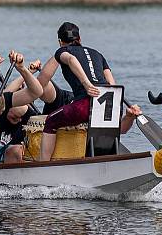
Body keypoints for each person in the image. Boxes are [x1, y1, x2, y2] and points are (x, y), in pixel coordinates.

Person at [38, 22, 142, 159]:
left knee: (50, 121)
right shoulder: (97, 54)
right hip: (110, 102)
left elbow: (70, 59)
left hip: (84, 105)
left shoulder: (62, 51)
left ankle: (44, 166)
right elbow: (112, 84)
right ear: (79, 39)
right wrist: (119, 107)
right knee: (115, 129)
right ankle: (129, 117)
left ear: (59, 42)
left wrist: (86, 84)